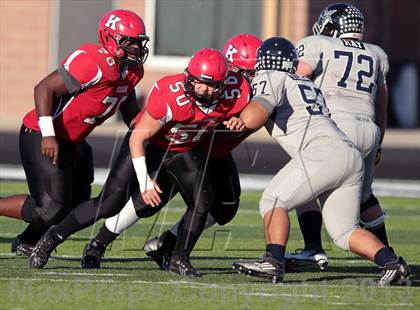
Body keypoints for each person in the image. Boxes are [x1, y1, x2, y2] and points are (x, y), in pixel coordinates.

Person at [28, 48, 250, 277]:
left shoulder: (235, 94)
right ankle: (52, 238)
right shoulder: (171, 95)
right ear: (188, 77)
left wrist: (237, 118)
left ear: (224, 85)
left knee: (203, 203)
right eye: (198, 82)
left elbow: (249, 108)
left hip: (183, 149)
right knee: (109, 203)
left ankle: (179, 257)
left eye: (212, 85)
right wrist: (145, 181)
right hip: (149, 145)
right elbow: (138, 138)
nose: (204, 89)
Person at [232, 37, 410, 286]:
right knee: (344, 232)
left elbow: (253, 117)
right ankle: (392, 263)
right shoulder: (306, 83)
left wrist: (240, 116)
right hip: (349, 153)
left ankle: (273, 261)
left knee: (273, 200)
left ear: (263, 63)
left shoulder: (271, 77)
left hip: (322, 151)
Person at [80, 33, 262, 270]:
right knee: (152, 199)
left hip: (214, 153)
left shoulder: (242, 90)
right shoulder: (211, 86)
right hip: (186, 147)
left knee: (225, 207)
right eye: (247, 73)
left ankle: (166, 243)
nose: (253, 79)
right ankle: (99, 243)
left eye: (256, 73)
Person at [0, 9, 149, 256]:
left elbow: (130, 108)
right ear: (111, 39)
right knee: (50, 209)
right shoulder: (94, 60)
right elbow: (44, 89)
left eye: (138, 42)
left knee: (79, 203)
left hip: (74, 140)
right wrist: (48, 134)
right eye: (130, 42)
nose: (136, 48)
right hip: (42, 133)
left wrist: (154, 128)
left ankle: (27, 240)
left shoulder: (132, 72)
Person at [285, 3, 391, 270]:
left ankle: (312, 249)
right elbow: (382, 102)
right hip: (369, 130)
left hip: (336, 126)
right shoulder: (377, 53)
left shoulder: (318, 44)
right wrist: (379, 142)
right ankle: (387, 256)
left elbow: (298, 77)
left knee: (304, 180)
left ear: (332, 26)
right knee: (365, 196)